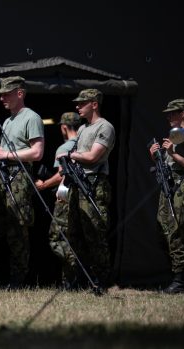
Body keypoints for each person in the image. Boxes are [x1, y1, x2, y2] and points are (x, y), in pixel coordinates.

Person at [0, 76, 45, 289]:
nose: (2, 97)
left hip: (19, 179)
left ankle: (17, 281)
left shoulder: (31, 118)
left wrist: (6, 155)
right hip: (1, 178)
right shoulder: (7, 121)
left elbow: (37, 152)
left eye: (7, 93)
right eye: (1, 94)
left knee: (17, 231)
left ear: (20, 93)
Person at [58, 88, 115, 291]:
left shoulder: (105, 127)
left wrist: (71, 156)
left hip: (94, 184)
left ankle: (100, 280)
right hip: (77, 184)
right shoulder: (82, 129)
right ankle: (78, 279)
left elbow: (92, 157)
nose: (78, 106)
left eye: (82, 103)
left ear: (94, 104)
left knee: (94, 232)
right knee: (75, 233)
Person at [148, 99, 184, 294]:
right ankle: (175, 275)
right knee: (164, 229)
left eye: (173, 112)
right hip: (169, 184)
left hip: (183, 186)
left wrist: (173, 153)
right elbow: (170, 162)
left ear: (183, 113)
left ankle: (180, 281)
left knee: (176, 231)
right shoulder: (175, 134)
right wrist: (156, 155)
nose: (168, 116)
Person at [34, 112, 80, 287]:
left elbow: (62, 174)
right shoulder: (84, 145)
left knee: (57, 238)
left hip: (65, 196)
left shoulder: (64, 148)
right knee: (74, 236)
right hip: (81, 196)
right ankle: (71, 279)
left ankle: (74, 270)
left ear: (63, 127)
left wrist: (44, 184)